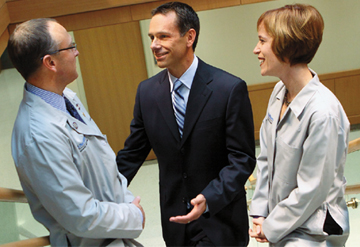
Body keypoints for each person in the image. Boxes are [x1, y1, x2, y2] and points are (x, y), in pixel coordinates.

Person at [116, 2, 256, 246]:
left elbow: (242, 159)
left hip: (220, 219)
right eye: (151, 37)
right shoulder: (147, 93)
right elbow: (131, 155)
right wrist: (101, 193)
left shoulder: (228, 89)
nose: (154, 45)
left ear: (189, 36)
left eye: (163, 36)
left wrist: (209, 197)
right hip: (175, 223)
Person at [8, 18, 145, 247]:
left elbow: (103, 161)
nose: (77, 52)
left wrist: (128, 204)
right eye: (71, 47)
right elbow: (80, 215)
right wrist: (134, 215)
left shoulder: (66, 97)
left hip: (115, 229)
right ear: (50, 62)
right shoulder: (37, 136)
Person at [249, 4, 350, 246]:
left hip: (313, 231)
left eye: (262, 41)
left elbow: (312, 191)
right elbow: (266, 158)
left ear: (286, 44)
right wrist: (260, 212)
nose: (256, 49)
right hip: (281, 221)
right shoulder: (279, 91)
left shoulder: (323, 113)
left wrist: (271, 226)